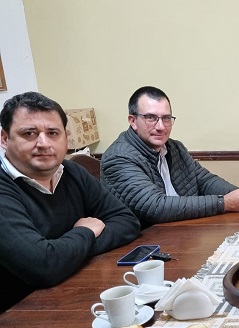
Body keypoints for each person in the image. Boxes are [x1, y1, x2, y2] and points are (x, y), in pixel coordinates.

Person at [0, 92, 140, 312]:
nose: (43, 143)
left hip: (78, 295)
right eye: (29, 133)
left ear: (65, 137)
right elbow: (43, 266)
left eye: (53, 133)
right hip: (20, 318)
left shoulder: (71, 171)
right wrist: (85, 233)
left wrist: (66, 254)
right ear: (5, 139)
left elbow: (127, 221)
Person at [101, 86, 239, 228]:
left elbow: (204, 181)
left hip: (183, 231)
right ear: (133, 121)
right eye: (150, 118)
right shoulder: (118, 158)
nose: (160, 127)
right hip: (143, 247)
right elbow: (155, 207)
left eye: (166, 118)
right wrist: (225, 202)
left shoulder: (174, 148)